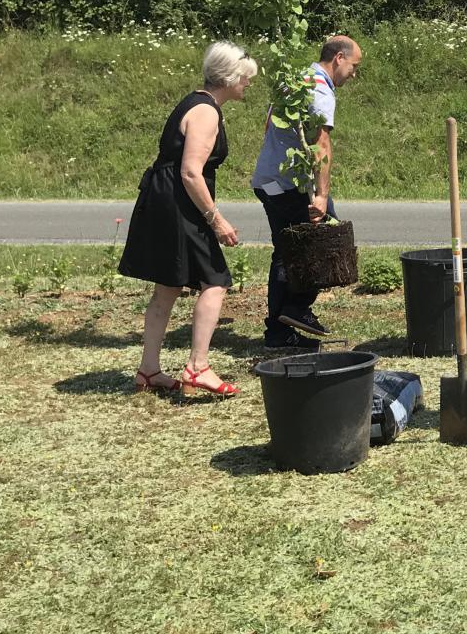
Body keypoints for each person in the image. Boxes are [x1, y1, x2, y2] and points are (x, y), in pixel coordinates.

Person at [119, 41, 257, 398]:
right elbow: (191, 173)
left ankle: (149, 370)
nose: (248, 85)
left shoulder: (192, 100)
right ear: (230, 77)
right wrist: (217, 220)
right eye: (246, 78)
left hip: (163, 199)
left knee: (168, 284)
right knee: (215, 280)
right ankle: (198, 367)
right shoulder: (207, 112)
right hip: (180, 204)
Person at [251, 35, 362, 349]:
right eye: (354, 66)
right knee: (324, 243)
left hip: (271, 180)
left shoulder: (297, 80)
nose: (354, 74)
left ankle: (280, 329)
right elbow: (320, 146)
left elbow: (268, 125)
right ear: (338, 58)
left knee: (286, 251)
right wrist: (321, 196)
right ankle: (294, 311)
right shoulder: (320, 89)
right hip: (289, 185)